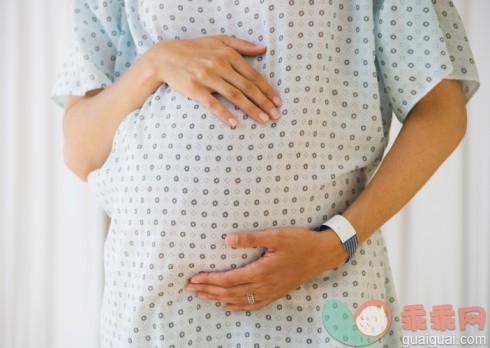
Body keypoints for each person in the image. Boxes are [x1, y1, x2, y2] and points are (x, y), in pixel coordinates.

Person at [52, 0, 479, 346]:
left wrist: (335, 243)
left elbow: (441, 112)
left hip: (324, 292)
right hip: (155, 302)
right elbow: (80, 151)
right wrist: (154, 64)